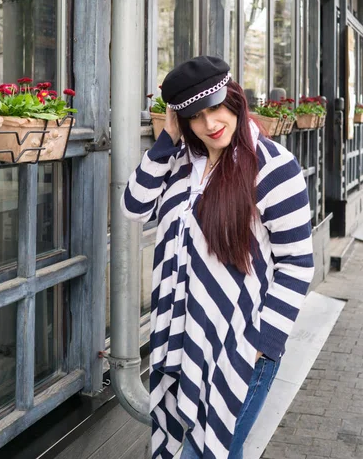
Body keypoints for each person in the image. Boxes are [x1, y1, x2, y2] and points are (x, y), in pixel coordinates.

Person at [121, 56, 314, 459]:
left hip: (243, 349)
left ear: (236, 98)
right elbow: (133, 207)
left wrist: (265, 342)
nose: (211, 123)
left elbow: (297, 262)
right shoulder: (179, 166)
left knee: (210, 452)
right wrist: (165, 141)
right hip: (183, 342)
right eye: (195, 116)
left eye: (217, 106)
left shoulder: (272, 166)